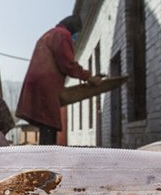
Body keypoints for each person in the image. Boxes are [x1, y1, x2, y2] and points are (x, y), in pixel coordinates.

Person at [16, 15, 102, 145]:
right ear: (73, 29)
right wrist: (89, 77)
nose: (76, 37)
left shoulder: (49, 34)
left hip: (36, 84)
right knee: (49, 124)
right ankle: (47, 156)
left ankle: (45, 154)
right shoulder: (63, 35)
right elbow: (67, 64)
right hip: (46, 85)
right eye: (77, 33)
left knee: (45, 124)